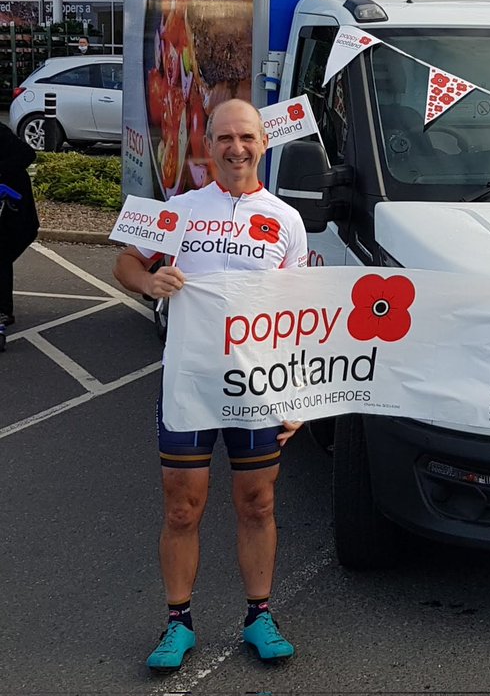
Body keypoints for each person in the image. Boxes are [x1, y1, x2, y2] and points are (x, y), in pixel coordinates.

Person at [114, 99, 308, 672]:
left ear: (262, 143)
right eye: (224, 137)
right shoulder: (178, 207)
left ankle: (260, 616)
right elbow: (124, 261)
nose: (236, 148)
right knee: (182, 508)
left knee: (258, 502)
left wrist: (298, 395)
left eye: (246, 137)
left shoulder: (287, 219)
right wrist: (149, 281)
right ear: (209, 143)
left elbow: (301, 315)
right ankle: (178, 623)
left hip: (257, 386)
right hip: (190, 384)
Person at [0, 121, 40, 351]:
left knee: (1, 256)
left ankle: (3, 311)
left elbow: (27, 154)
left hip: (15, 211)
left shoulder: (1, 134)